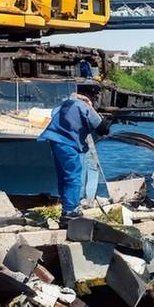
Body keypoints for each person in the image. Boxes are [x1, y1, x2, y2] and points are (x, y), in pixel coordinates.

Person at [39, 89, 110, 225]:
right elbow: (102, 129)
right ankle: (71, 211)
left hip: (55, 140)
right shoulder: (84, 106)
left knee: (63, 176)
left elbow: (54, 116)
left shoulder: (64, 104)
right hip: (68, 143)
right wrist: (104, 119)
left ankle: (65, 206)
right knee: (73, 176)